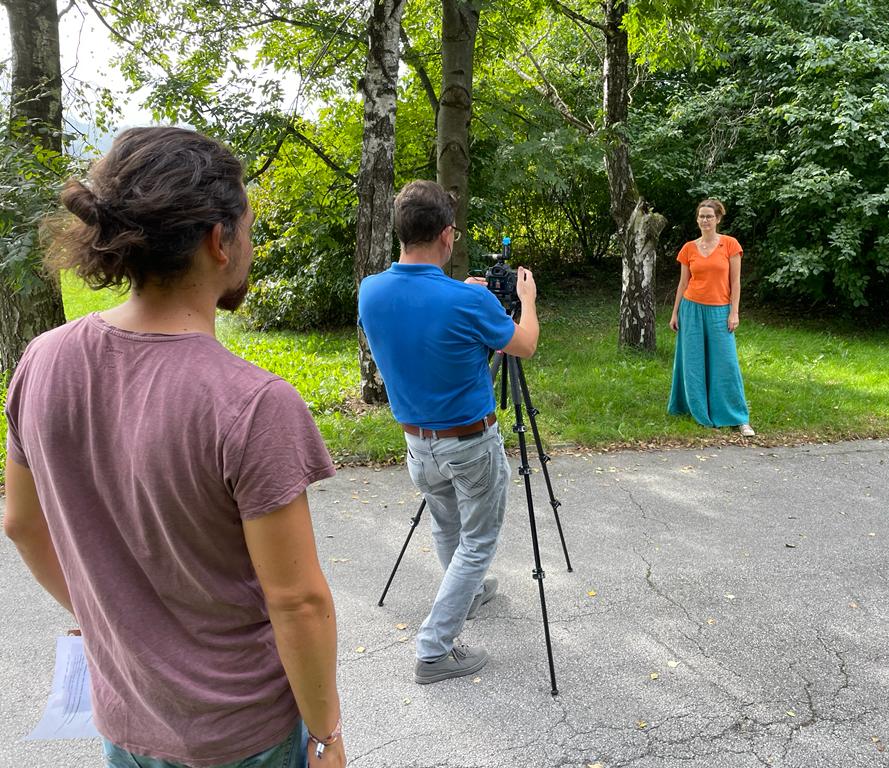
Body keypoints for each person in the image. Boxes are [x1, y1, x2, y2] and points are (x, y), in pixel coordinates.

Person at [3, 127, 346, 767]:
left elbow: (21, 524)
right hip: (241, 735)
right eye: (248, 224)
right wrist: (326, 733)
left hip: (125, 719)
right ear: (220, 241)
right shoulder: (253, 403)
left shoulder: (41, 361)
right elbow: (296, 600)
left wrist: (114, 617)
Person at [357, 180, 539, 685]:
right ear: (447, 235)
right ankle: (434, 649)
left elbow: (423, 334)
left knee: (447, 527)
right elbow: (522, 345)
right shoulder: (467, 302)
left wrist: (467, 299)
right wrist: (525, 298)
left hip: (417, 444)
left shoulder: (370, 291)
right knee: (478, 540)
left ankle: (470, 594)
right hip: (470, 443)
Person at [668, 198, 755, 437]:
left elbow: (735, 282)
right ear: (697, 219)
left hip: (719, 310)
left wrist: (734, 312)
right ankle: (697, 410)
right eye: (701, 216)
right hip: (691, 308)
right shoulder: (688, 248)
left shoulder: (730, 245)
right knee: (692, 363)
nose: (705, 220)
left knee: (726, 363)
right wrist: (675, 312)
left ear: (718, 219)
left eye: (709, 216)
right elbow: (683, 283)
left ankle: (739, 418)